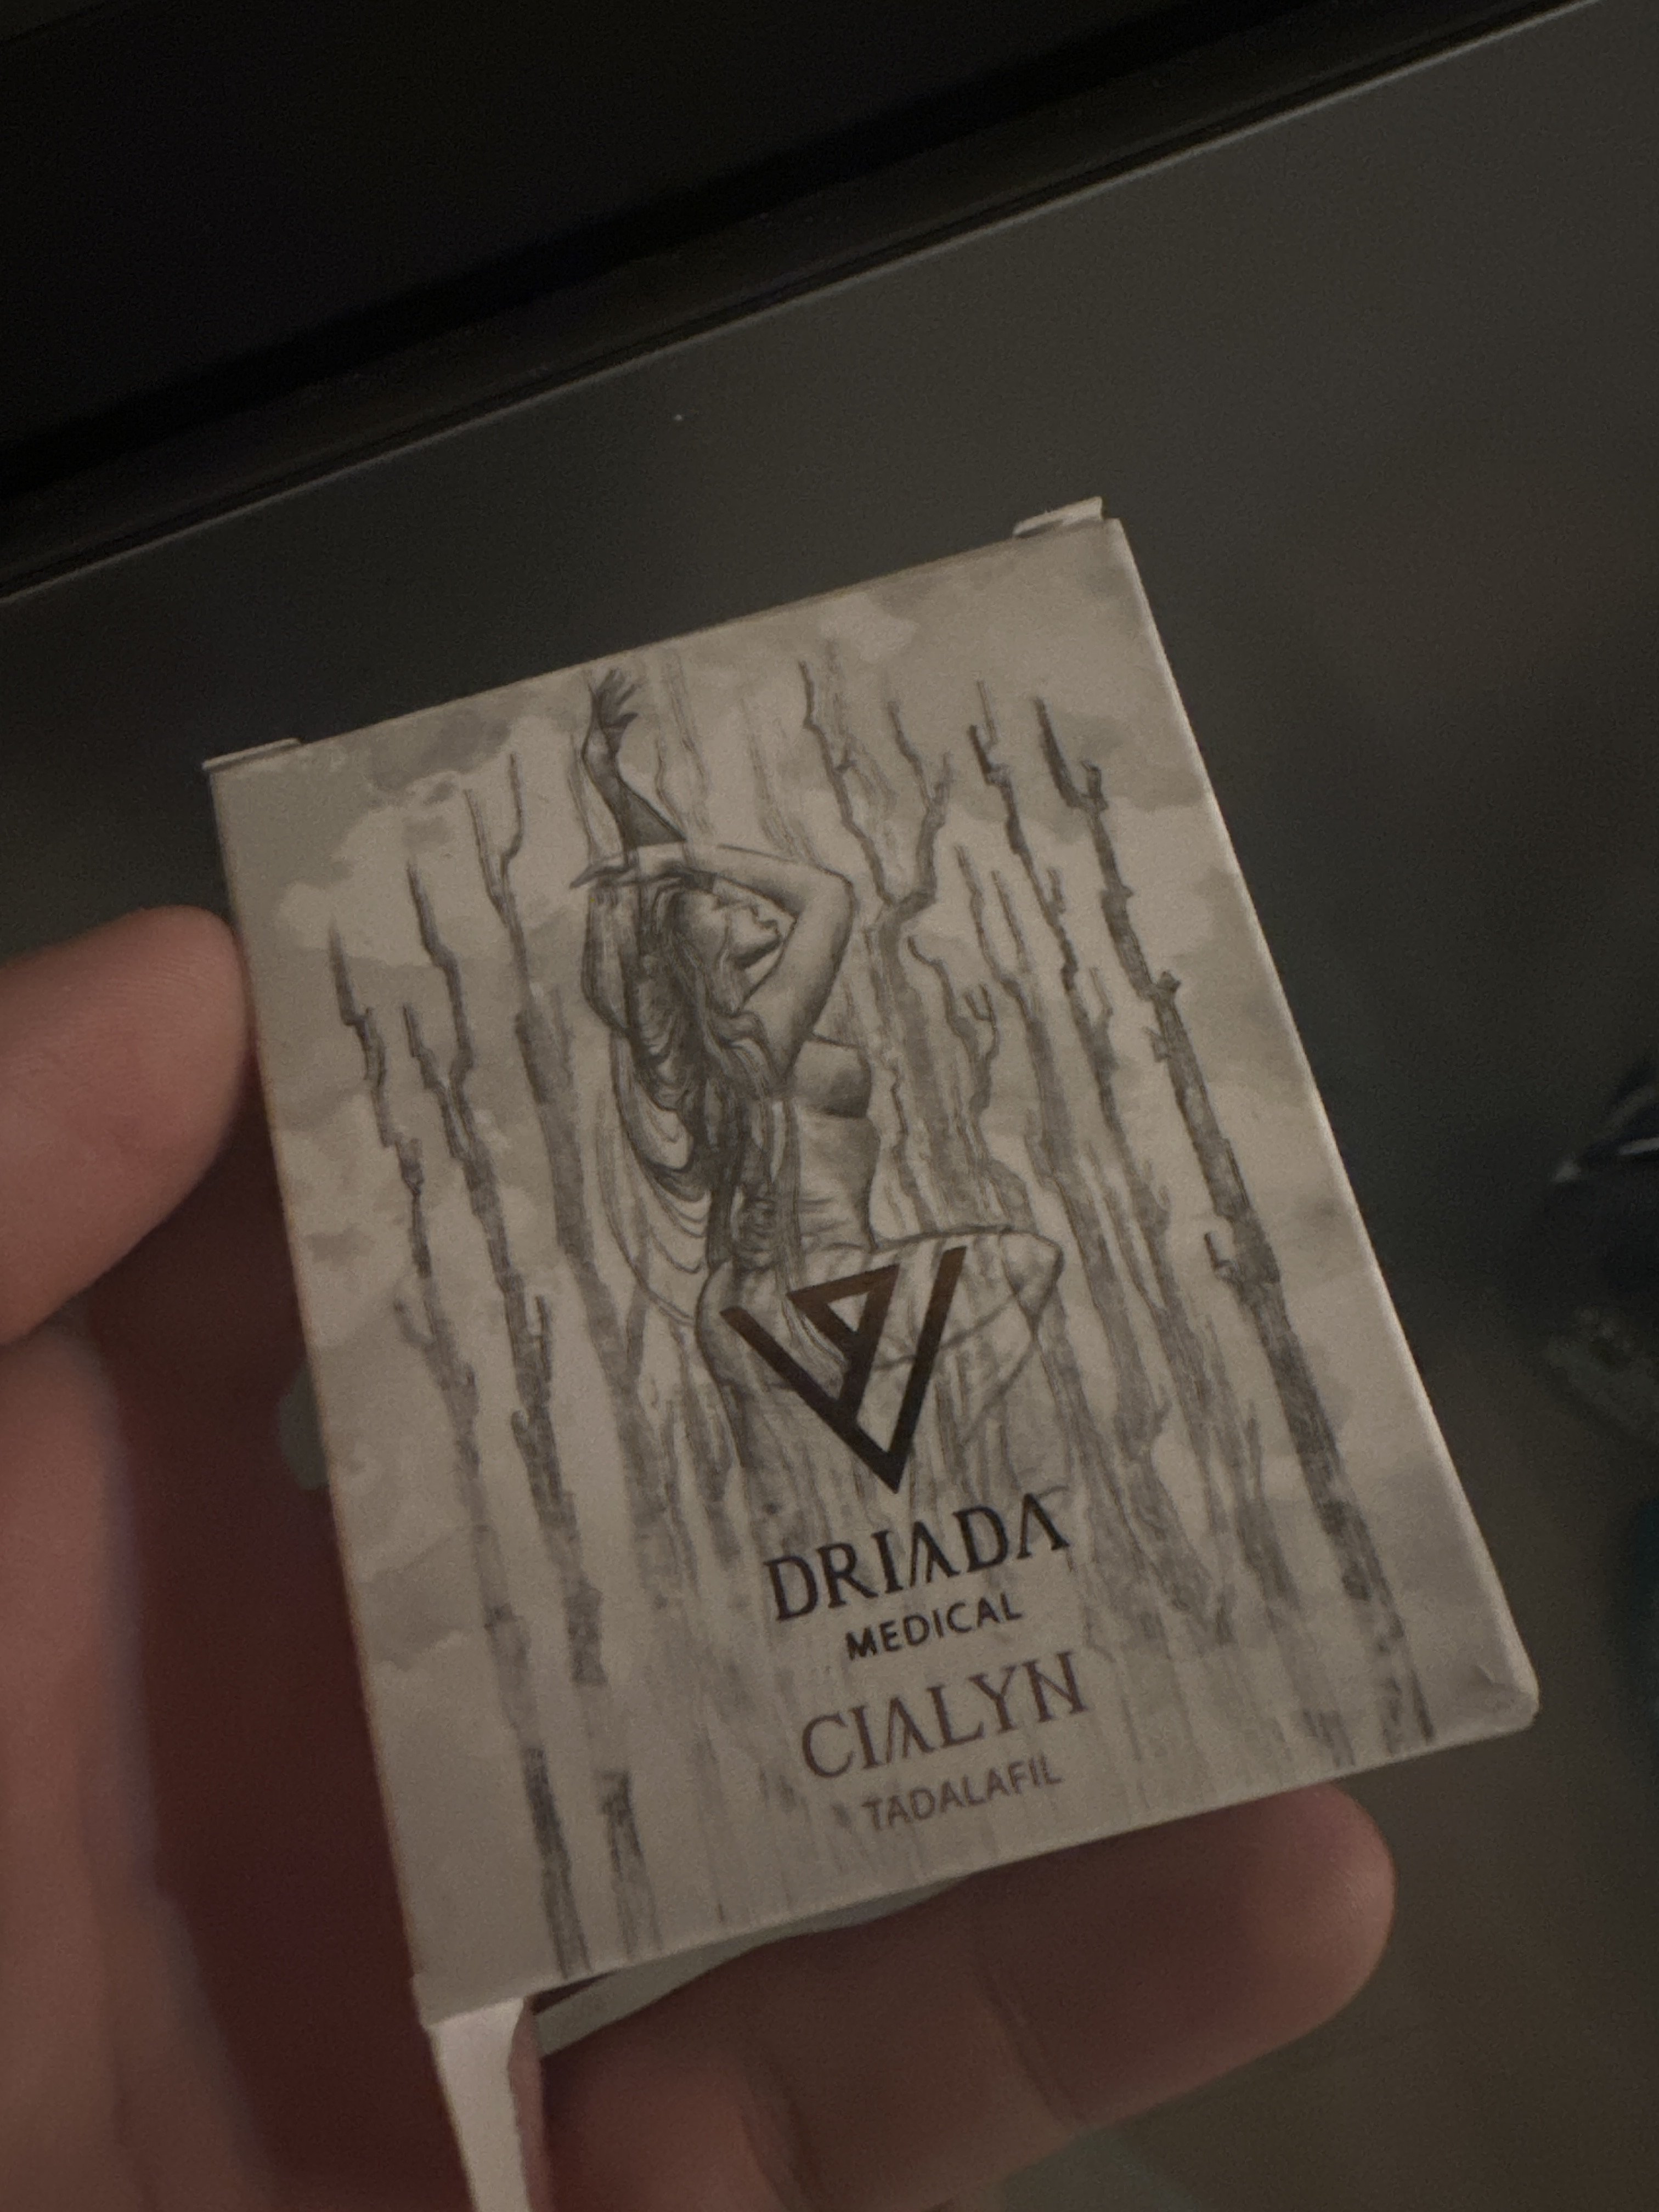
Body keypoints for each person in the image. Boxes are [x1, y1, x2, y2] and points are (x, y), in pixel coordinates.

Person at [0, 904, 1393, 2210]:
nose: (753, 930)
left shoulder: (677, 1093)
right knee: (1002, 1297)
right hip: (834, 1311)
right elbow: (819, 904)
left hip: (771, 1313)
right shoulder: (765, 1045)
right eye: (723, 928)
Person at [579, 676, 1063, 1513]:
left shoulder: (702, 1055)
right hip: (826, 1293)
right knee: (1026, 1263)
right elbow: (829, 895)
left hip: (746, 1308)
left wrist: (613, 787)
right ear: (696, 951)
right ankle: (953, 1466)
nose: (744, 897)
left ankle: (931, 1467)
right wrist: (682, 861)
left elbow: (663, 917)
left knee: (822, 1513)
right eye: (720, 905)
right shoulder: (759, 1040)